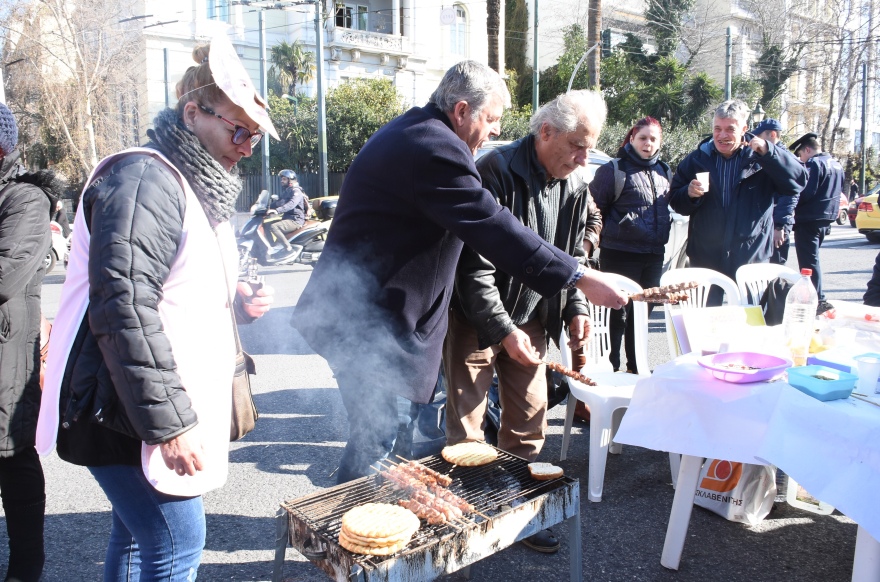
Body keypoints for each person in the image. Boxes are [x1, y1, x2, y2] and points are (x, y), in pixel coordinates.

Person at [292, 60, 628, 485]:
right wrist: (577, 277)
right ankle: (344, 536)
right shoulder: (437, 148)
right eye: (491, 119)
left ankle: (351, 532)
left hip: (369, 321)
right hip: (373, 327)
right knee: (377, 445)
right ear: (462, 110)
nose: (494, 132)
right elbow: (492, 225)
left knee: (378, 445)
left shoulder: (415, 131)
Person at [35, 35, 276, 579]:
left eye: (255, 137)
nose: (246, 146)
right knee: (177, 541)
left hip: (133, 400)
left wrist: (235, 299)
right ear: (194, 114)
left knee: (135, 533)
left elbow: (172, 286)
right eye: (239, 130)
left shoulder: (189, 182)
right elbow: (123, 307)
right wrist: (170, 427)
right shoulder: (145, 179)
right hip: (118, 404)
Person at [443, 91, 604, 553]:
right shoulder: (494, 170)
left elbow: (570, 259)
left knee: (530, 418)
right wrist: (502, 329)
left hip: (532, 314)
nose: (583, 157)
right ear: (546, 132)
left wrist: (576, 309)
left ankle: (518, 511)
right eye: (577, 145)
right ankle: (469, 516)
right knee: (468, 425)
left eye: (589, 147)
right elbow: (473, 265)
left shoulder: (575, 185)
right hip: (475, 315)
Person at [669, 100, 806, 304]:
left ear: (744, 129)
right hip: (706, 255)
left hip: (751, 254)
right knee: (705, 320)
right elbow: (675, 201)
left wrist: (769, 152)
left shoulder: (761, 157)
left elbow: (797, 181)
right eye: (717, 128)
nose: (722, 135)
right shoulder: (698, 158)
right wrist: (688, 194)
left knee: (748, 320)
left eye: (729, 129)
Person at [0, 102, 58, 581]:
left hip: (7, 359)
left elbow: (6, 275)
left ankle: (25, 568)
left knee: (13, 458)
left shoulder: (25, 199)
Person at [591, 117, 671, 373]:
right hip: (620, 254)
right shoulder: (613, 170)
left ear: (660, 142)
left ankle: (637, 370)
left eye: (653, 139)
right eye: (643, 138)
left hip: (654, 255)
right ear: (632, 138)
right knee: (617, 315)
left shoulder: (665, 171)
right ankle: (610, 369)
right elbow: (594, 211)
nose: (648, 144)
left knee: (642, 317)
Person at [789, 132, 845, 314]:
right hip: (826, 217)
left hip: (808, 218)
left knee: (808, 263)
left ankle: (818, 299)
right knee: (813, 259)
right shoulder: (836, 164)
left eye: (801, 155)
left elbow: (806, 191)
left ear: (807, 149)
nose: (801, 160)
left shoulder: (814, 163)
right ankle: (816, 297)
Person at [753, 118, 798, 266]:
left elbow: (790, 194)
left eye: (760, 137)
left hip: (777, 223)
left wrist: (780, 227)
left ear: (772, 134)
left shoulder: (784, 158)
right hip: (769, 220)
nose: (757, 141)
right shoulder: (769, 156)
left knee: (775, 268)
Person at [265, 169, 308, 258]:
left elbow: (291, 204)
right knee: (265, 225)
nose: (282, 181)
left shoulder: (296, 191)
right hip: (287, 218)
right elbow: (279, 202)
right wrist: (266, 209)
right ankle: (274, 247)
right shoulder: (288, 191)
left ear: (290, 180)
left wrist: (277, 211)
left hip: (295, 220)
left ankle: (289, 249)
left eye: (284, 179)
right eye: (282, 179)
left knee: (274, 226)